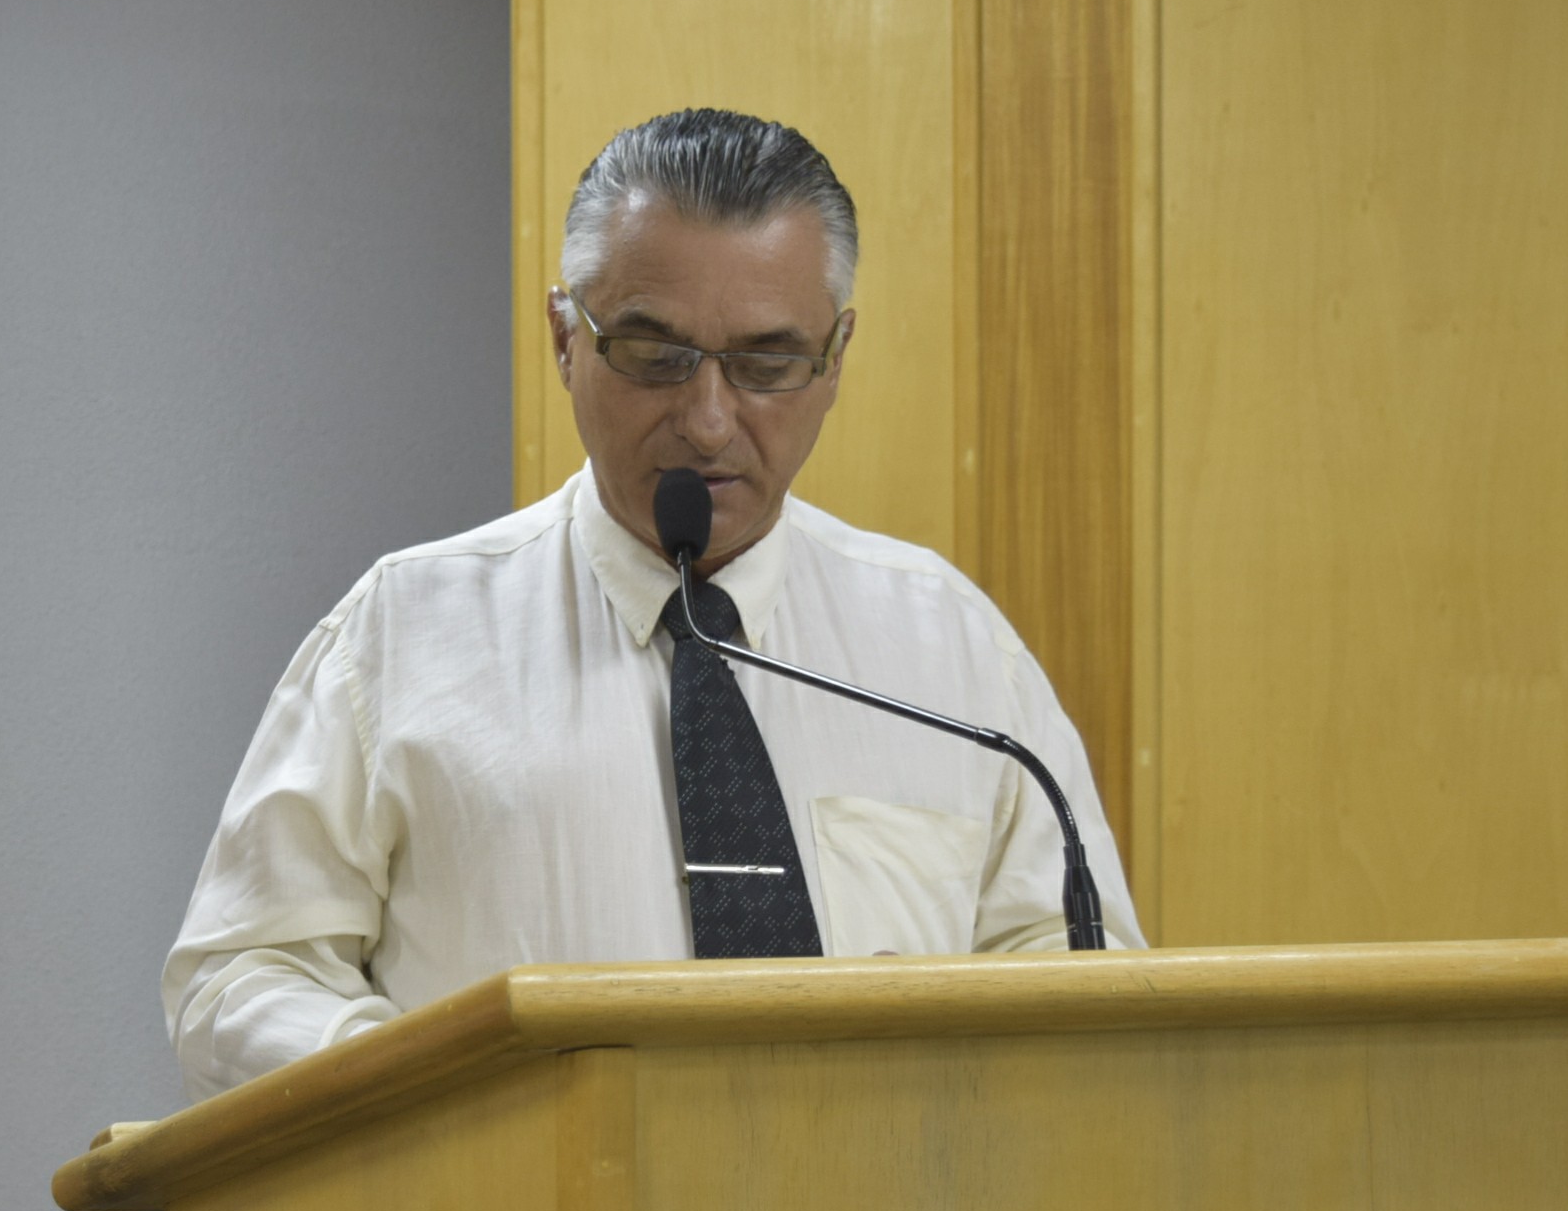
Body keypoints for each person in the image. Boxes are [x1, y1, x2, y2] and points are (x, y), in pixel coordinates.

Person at [164, 108, 1144, 1100]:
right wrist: (448, 1097)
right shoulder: (402, 634)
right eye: (654, 355)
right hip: (520, 1197)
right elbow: (238, 977)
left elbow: (1080, 975)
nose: (708, 421)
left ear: (835, 358)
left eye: (767, 365)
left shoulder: (952, 650)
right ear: (565, 339)